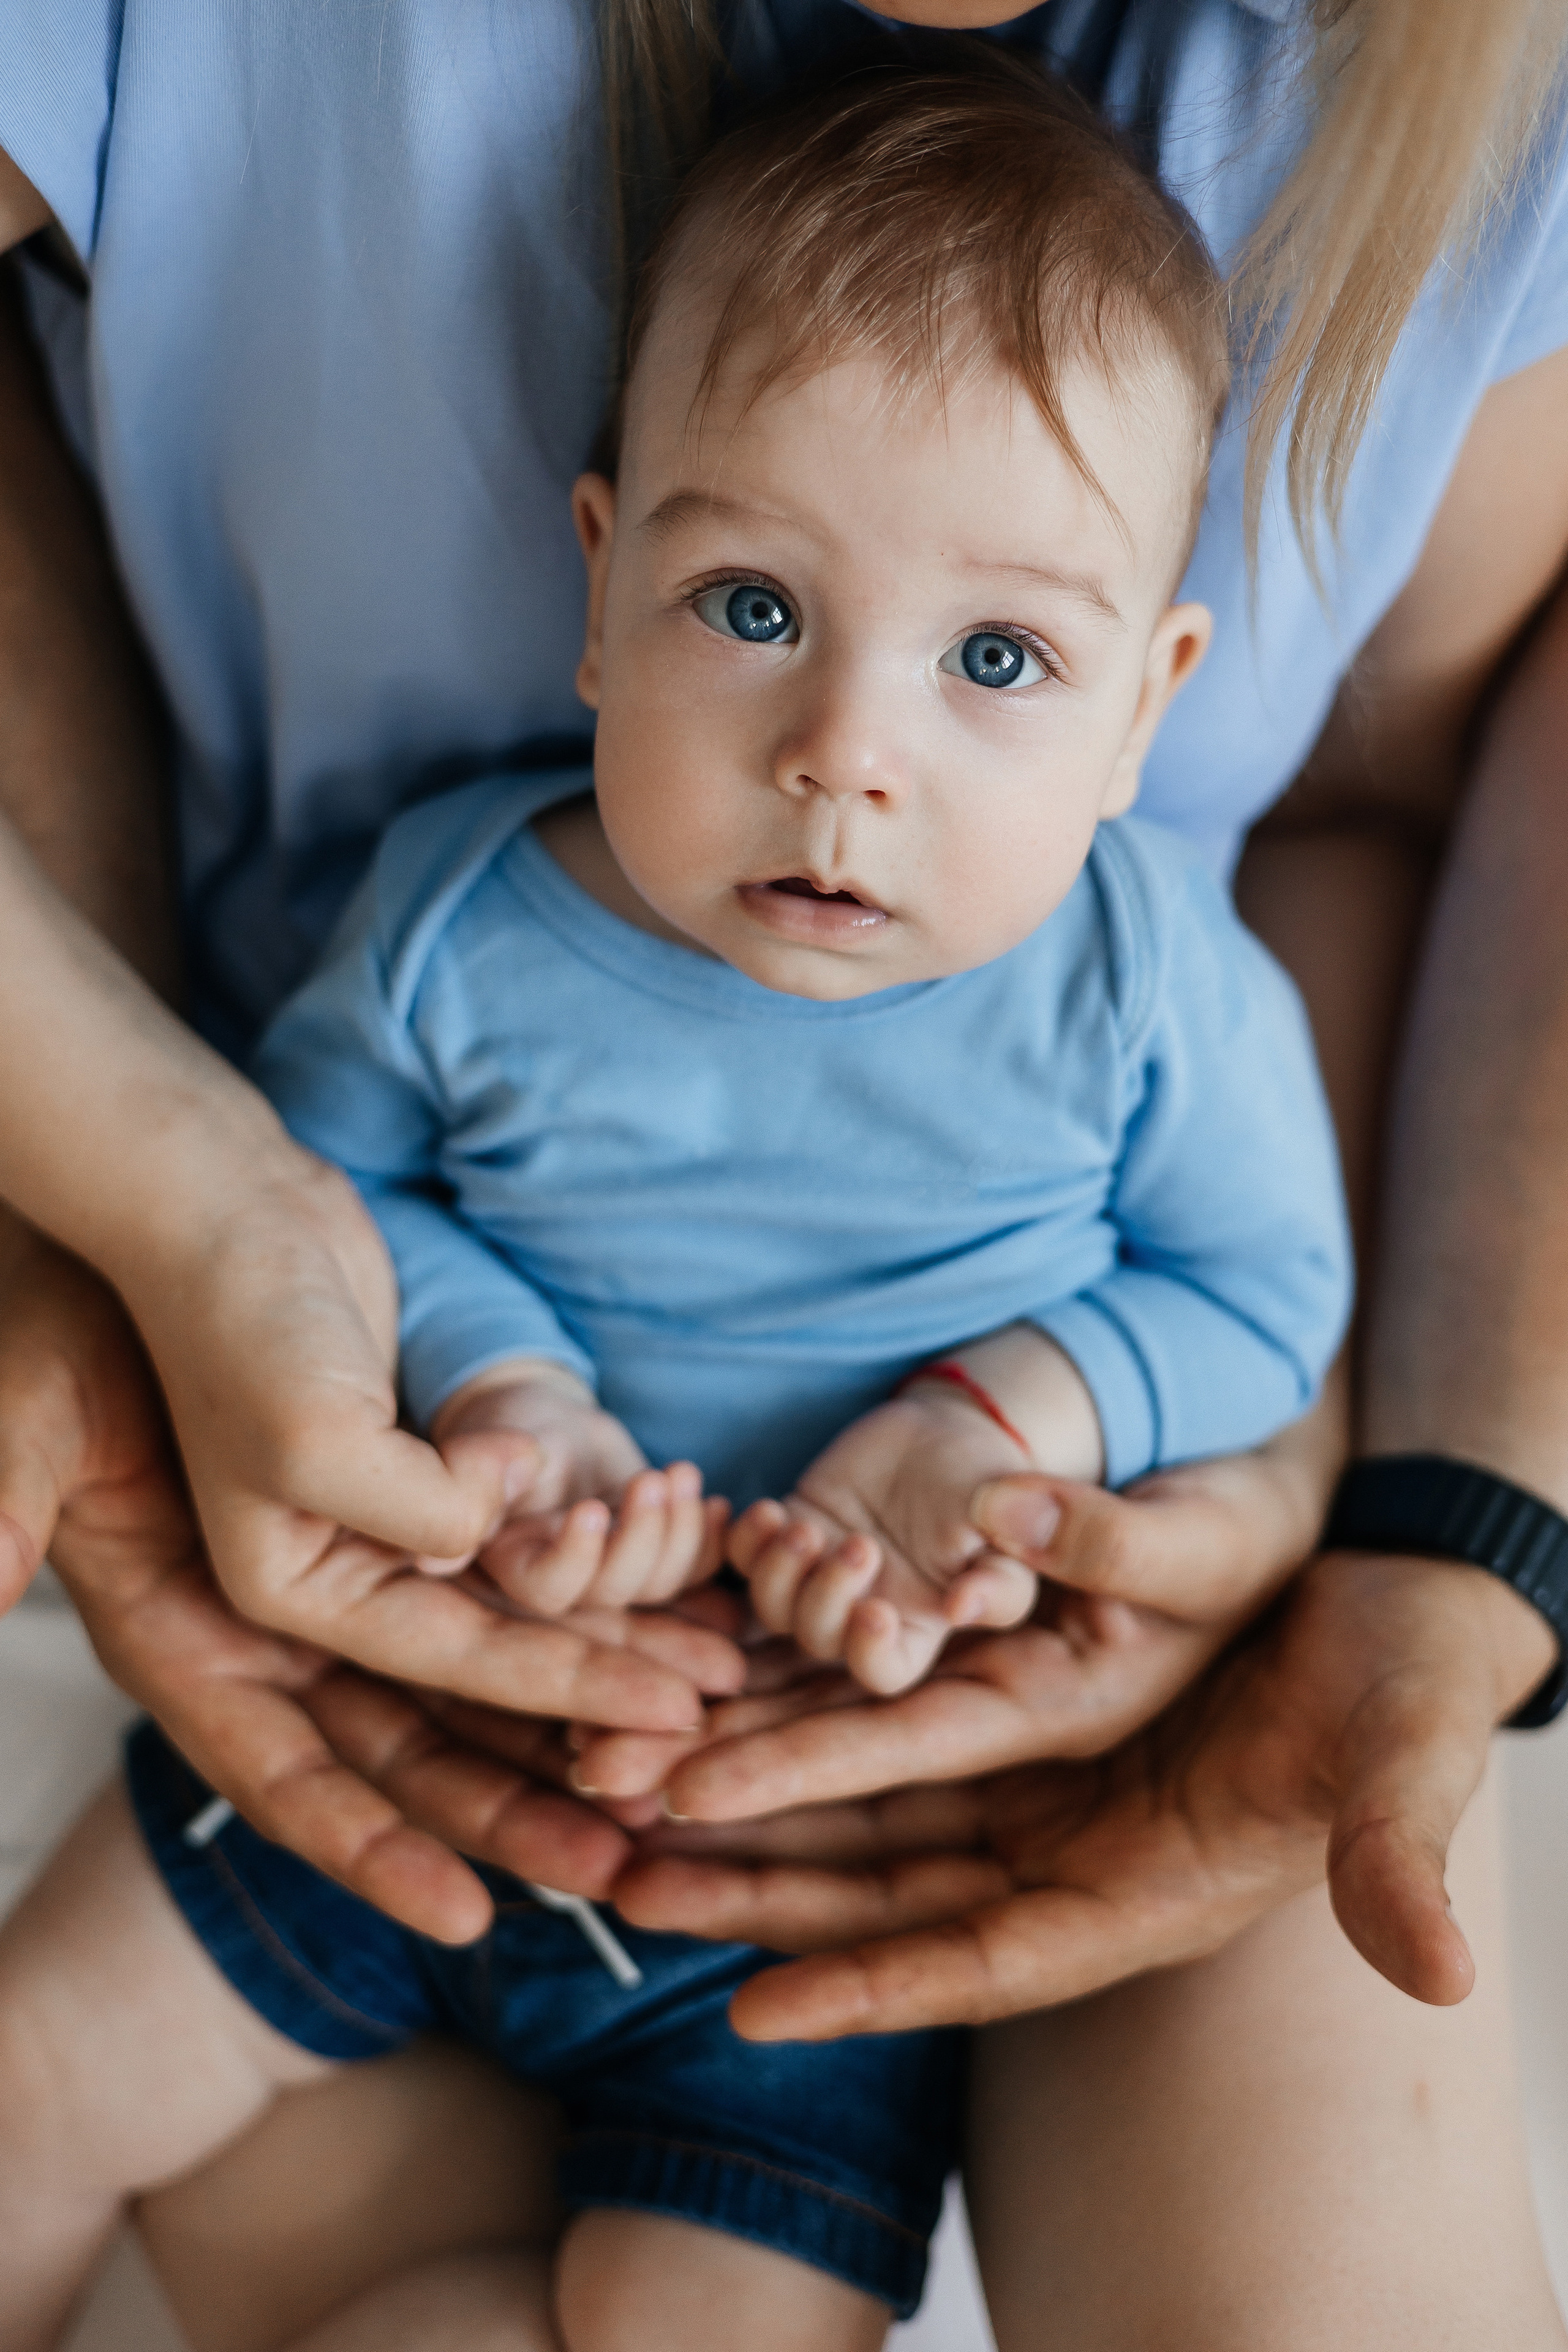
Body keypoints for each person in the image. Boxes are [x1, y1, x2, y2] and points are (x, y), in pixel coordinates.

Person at [0, 1, 1565, 2346]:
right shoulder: (462, 914)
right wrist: (499, 1396)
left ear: (1160, 698)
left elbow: (1259, 1300)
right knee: (35, 2078)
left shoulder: (1155, 999)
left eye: (1002, 663)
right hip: (405, 1702)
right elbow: (314, 1204)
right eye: (753, 614)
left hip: (828, 1862)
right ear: (601, 581)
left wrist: (1012, 1425)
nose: (848, 759)